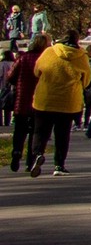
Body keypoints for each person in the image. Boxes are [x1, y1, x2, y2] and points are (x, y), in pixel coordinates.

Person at [28, 30, 91, 176]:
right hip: (68, 102)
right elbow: (86, 80)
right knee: (62, 134)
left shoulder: (49, 52)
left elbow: (37, 71)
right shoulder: (81, 56)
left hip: (45, 100)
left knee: (40, 132)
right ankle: (59, 165)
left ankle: (37, 154)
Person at [7, 35, 43, 170]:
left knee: (19, 130)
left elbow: (10, 76)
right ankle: (31, 160)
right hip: (39, 100)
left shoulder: (23, 58)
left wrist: (17, 84)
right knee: (35, 131)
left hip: (22, 99)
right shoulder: (44, 60)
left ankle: (16, 154)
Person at [0, 44, 16, 129]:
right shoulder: (14, 63)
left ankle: (0, 122)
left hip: (3, 87)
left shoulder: (2, 64)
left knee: (0, 105)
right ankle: (7, 122)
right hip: (12, 88)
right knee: (8, 106)